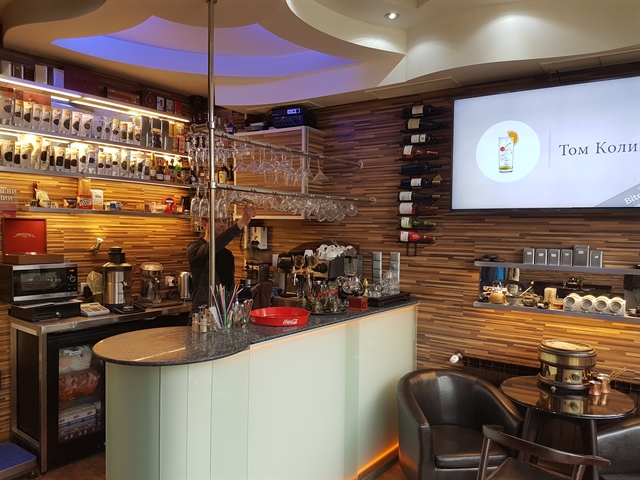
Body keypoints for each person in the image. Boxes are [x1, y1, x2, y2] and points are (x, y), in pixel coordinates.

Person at [187, 205, 257, 313]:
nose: (222, 225)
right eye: (216, 221)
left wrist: (250, 291)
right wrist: (240, 224)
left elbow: (228, 288)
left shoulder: (228, 255)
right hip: (202, 315)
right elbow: (213, 247)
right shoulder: (195, 248)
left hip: (224, 316)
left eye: (224, 221)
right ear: (204, 224)